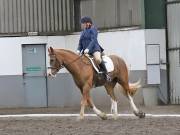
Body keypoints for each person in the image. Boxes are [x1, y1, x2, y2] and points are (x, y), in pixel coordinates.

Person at [76, 16, 111, 81]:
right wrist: (78, 49)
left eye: (83, 23)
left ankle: (106, 74)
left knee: (97, 59)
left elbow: (93, 40)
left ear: (88, 23)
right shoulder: (82, 32)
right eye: (82, 23)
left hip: (94, 49)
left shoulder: (93, 29)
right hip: (85, 52)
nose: (82, 25)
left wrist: (88, 49)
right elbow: (80, 43)